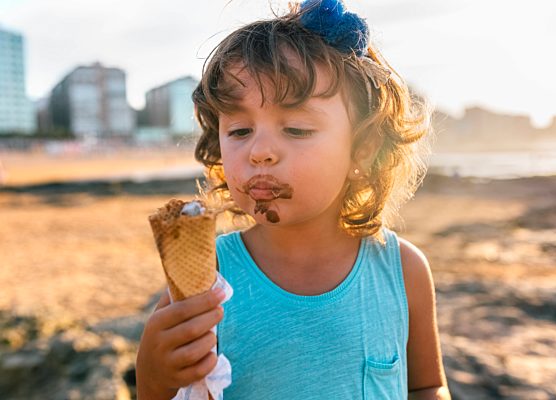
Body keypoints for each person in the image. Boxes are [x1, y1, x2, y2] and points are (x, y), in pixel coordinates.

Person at [136, 0, 451, 399]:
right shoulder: (207, 279)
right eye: (239, 130)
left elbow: (426, 385)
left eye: (297, 128)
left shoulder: (402, 271)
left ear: (364, 150)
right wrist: (152, 375)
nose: (260, 151)